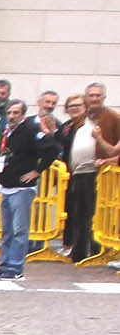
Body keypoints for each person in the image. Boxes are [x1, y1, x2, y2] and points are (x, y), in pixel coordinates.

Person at [0, 102, 59, 283]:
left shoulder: (30, 130)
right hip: (7, 186)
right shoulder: (7, 131)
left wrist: (37, 171)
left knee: (19, 230)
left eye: (15, 113)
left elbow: (52, 149)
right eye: (9, 112)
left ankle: (16, 267)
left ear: (23, 114)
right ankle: (5, 266)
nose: (11, 116)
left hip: (22, 188)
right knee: (7, 231)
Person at [61, 84, 120, 263]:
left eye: (97, 95)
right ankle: (78, 253)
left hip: (99, 173)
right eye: (91, 95)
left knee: (96, 214)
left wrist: (100, 142)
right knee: (78, 213)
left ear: (104, 97)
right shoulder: (80, 119)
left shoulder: (112, 118)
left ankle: (96, 251)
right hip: (78, 172)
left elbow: (113, 151)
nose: (94, 99)